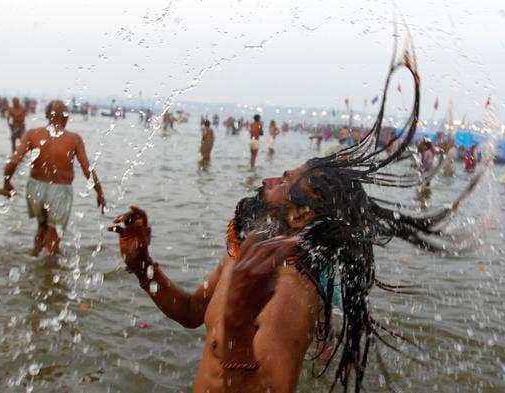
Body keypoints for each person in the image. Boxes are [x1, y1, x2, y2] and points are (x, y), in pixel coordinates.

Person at [109, 46, 475, 392]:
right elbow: (191, 312)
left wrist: (237, 326)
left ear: (300, 215)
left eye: (284, 182)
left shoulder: (293, 291)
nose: (267, 182)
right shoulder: (243, 262)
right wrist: (144, 268)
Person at [3, 100, 106, 256]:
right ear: (66, 118)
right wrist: (100, 193)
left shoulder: (32, 134)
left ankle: (35, 257)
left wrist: (7, 183)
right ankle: (48, 271)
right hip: (60, 190)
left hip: (35, 187)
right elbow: (87, 170)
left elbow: (13, 161)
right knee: (54, 234)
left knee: (42, 227)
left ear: (47, 116)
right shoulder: (74, 139)